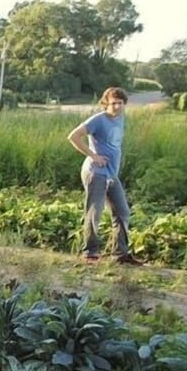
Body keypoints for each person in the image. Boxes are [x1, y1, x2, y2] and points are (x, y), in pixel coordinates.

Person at [66, 86, 142, 265]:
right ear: (106, 103)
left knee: (122, 211)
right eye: (113, 103)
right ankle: (90, 254)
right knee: (94, 213)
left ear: (124, 104)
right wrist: (94, 156)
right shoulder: (98, 120)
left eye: (120, 103)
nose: (116, 107)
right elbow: (73, 136)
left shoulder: (121, 117)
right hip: (95, 173)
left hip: (111, 174)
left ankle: (120, 255)